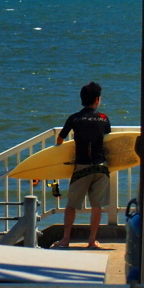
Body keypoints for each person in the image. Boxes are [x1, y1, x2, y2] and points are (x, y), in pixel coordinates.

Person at [52, 81, 110, 249]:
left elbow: (60, 139)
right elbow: (108, 141)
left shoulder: (74, 118)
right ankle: (92, 241)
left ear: (82, 99)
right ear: (97, 100)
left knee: (71, 205)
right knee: (97, 206)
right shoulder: (104, 119)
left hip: (82, 167)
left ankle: (65, 239)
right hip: (101, 166)